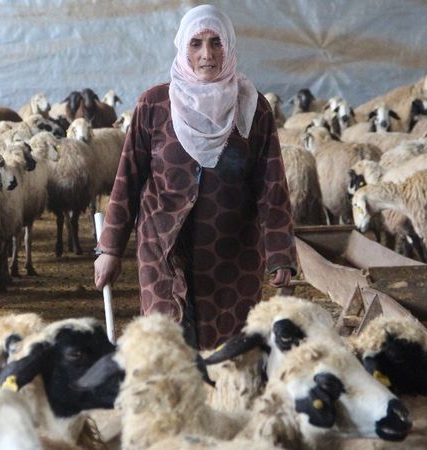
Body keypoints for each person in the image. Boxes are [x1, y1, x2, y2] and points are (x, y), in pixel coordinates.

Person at [94, 4, 296, 350]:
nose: (207, 54)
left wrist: (280, 251)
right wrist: (110, 248)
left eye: (216, 42)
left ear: (229, 47)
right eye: (196, 43)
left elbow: (271, 185)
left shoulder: (253, 108)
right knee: (167, 345)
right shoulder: (154, 105)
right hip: (162, 248)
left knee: (229, 353)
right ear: (182, 47)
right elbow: (128, 178)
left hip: (231, 254)